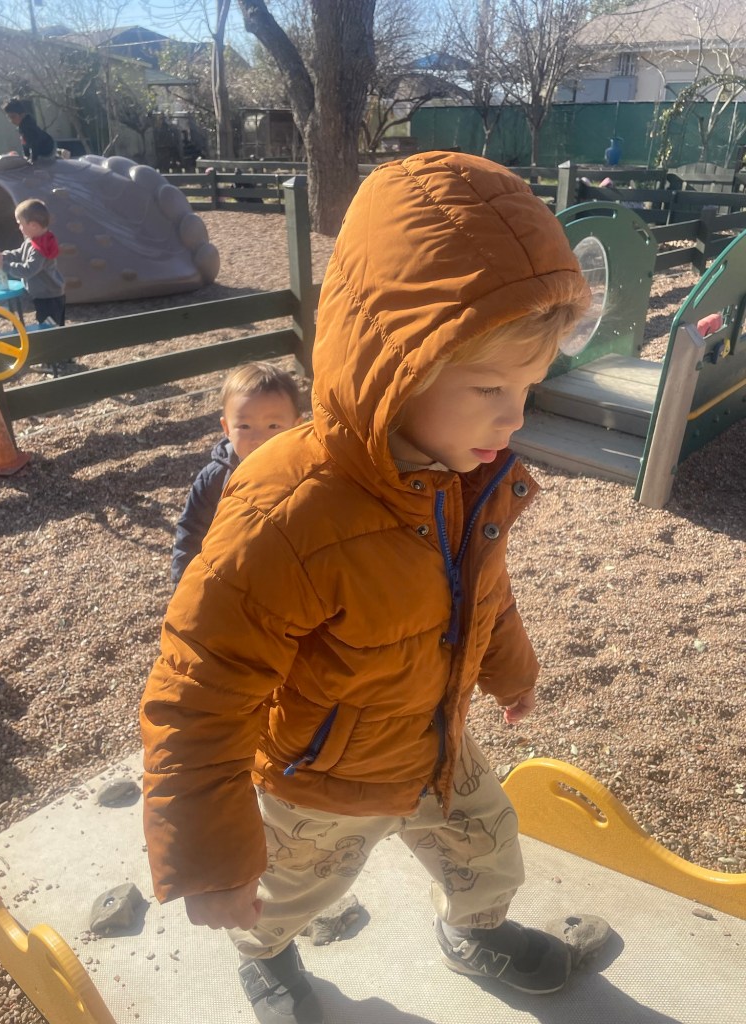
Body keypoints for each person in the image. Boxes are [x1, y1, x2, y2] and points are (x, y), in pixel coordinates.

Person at [141, 151, 592, 1024]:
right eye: (489, 387)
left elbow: (482, 589)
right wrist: (209, 858)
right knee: (287, 892)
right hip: (323, 778)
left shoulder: (467, 472)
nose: (513, 419)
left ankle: (474, 929)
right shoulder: (290, 510)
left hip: (435, 737)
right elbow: (200, 681)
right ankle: (265, 956)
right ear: (396, 367)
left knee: (488, 849)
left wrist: (512, 670)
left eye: (528, 389)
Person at [170, 361, 302, 587]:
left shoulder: (304, 475)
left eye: (273, 426)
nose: (258, 439)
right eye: (245, 426)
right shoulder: (215, 479)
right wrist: (184, 586)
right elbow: (191, 534)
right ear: (227, 428)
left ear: (296, 426)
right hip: (230, 582)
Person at [0, 198, 68, 377]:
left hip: (49, 295)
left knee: (48, 327)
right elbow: (19, 253)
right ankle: (62, 357)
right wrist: (4, 256)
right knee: (53, 325)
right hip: (47, 293)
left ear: (33, 225)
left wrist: (5, 266)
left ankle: (53, 362)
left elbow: (28, 270)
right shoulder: (33, 240)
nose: (19, 227)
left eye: (20, 223)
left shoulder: (40, 248)